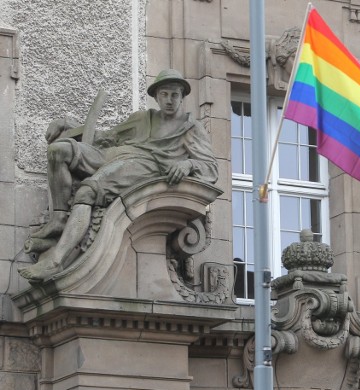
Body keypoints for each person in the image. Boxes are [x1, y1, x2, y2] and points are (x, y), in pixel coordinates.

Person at [19, 69, 218, 281]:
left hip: (144, 166)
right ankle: (59, 218)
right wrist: (68, 124)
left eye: (174, 95)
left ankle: (55, 261)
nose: (169, 100)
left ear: (182, 96)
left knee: (88, 191)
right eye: (164, 94)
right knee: (59, 151)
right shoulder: (142, 118)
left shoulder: (190, 128)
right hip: (113, 155)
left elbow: (211, 169)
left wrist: (188, 164)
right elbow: (105, 137)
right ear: (156, 96)